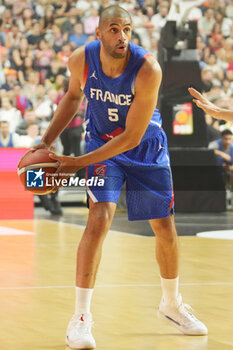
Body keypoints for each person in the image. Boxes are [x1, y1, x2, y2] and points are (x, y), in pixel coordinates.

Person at [25, 6, 208, 349]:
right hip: (99, 143)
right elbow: (73, 97)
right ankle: (80, 318)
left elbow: (131, 138)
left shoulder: (147, 69)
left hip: (144, 147)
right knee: (99, 218)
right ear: (98, 33)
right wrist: (45, 142)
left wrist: (78, 162)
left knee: (165, 227)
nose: (121, 36)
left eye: (126, 29)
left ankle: (171, 304)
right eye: (113, 29)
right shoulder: (82, 59)